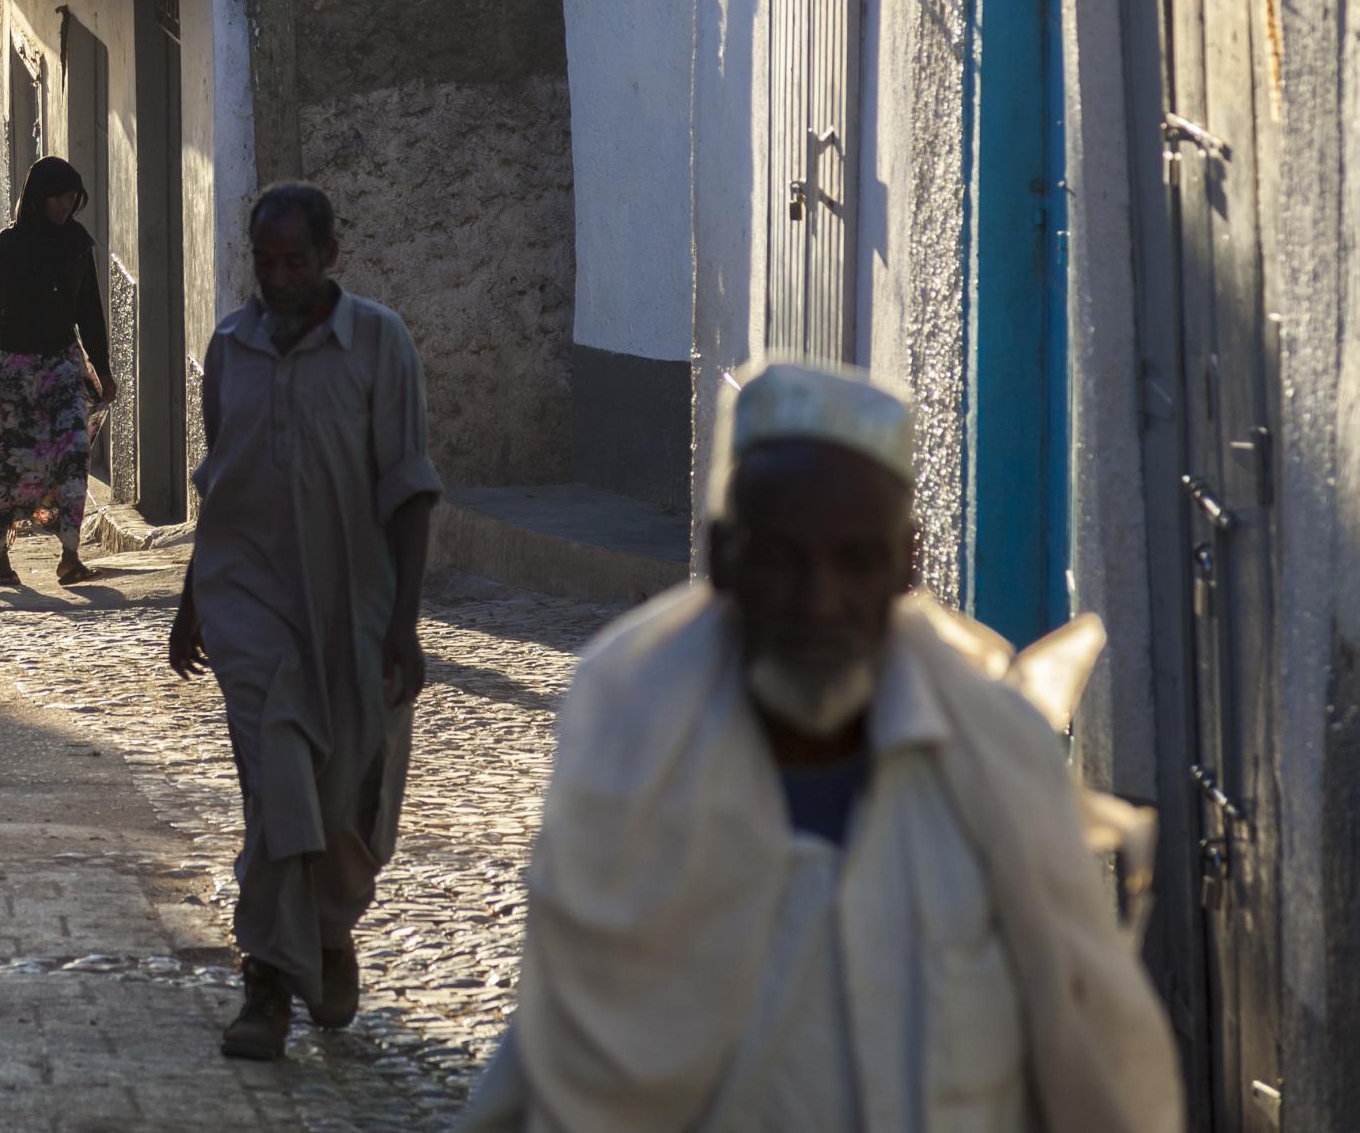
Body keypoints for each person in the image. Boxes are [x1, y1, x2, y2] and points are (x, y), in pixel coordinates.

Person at [455, 353, 1184, 1133]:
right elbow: (562, 1045)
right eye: (780, 559)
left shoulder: (996, 759)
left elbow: (1090, 1057)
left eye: (855, 559)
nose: (818, 601)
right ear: (724, 556)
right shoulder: (629, 730)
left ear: (905, 561)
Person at [167, 182, 438, 1063]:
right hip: (250, 601)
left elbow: (409, 488)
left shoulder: (379, 343)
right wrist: (191, 599)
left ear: (328, 257)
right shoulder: (232, 349)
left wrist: (403, 621)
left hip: (354, 603)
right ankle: (268, 982)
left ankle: (327, 931)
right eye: (265, 261)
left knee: (347, 806)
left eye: (294, 261)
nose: (277, 279)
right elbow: (222, 482)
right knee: (277, 782)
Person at [0, 157, 115, 588]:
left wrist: (102, 368)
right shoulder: (7, 248)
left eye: (72, 199)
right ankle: (2, 556)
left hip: (62, 366)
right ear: (40, 197)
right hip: (13, 371)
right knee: (6, 463)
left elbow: (90, 311)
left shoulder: (78, 244)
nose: (67, 206)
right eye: (60, 197)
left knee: (74, 449)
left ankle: (69, 554)